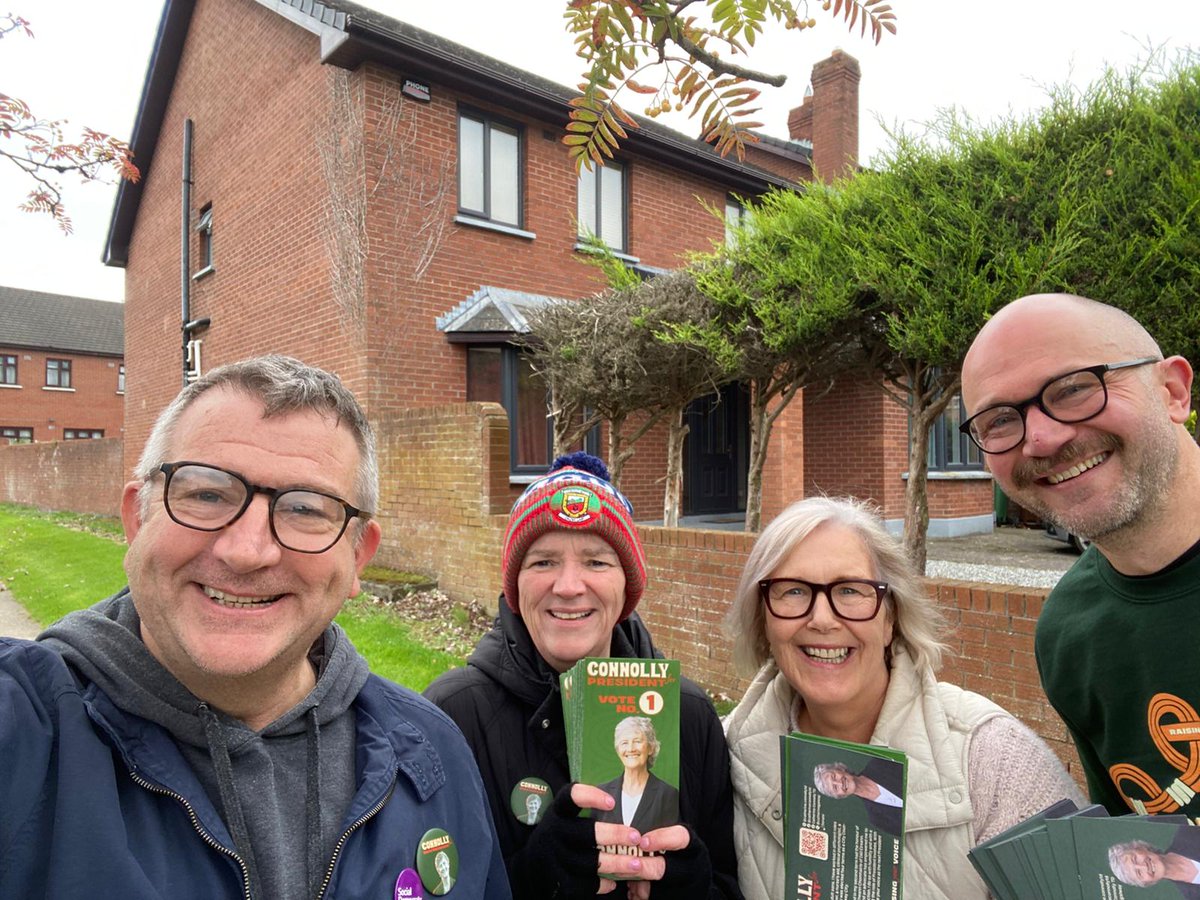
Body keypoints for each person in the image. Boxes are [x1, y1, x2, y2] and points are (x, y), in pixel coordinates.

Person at [0, 356, 510, 899]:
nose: (247, 551)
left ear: (358, 557)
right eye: (206, 495)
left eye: (306, 509)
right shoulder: (24, 733)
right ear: (137, 517)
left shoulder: (433, 755)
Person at [722, 496, 1083, 900]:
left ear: (891, 616)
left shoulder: (992, 760)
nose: (822, 619)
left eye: (850, 590)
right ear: (762, 619)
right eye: (791, 592)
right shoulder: (718, 757)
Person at [425, 452, 742, 899]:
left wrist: (698, 890)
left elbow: (730, 886)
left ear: (626, 586)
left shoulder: (689, 717)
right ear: (515, 586)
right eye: (543, 562)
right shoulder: (450, 716)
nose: (569, 586)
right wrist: (529, 878)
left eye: (596, 562)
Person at [960, 293, 1200, 818]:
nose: (1040, 440)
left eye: (1072, 389)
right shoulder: (1071, 633)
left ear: (1173, 392)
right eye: (999, 420)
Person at [596, 716, 681, 832]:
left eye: (637, 741)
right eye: (624, 743)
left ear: (651, 748)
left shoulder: (667, 794)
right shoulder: (602, 793)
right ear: (618, 750)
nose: (630, 748)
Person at [812, 759, 904, 837]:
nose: (840, 783)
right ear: (840, 796)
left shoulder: (879, 763)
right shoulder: (876, 818)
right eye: (835, 788)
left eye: (834, 777)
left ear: (840, 769)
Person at [1109, 828, 1200, 897]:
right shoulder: (1192, 897)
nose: (1144, 867)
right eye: (1139, 873)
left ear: (1140, 847)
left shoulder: (1188, 832)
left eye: (1135, 859)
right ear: (1146, 883)